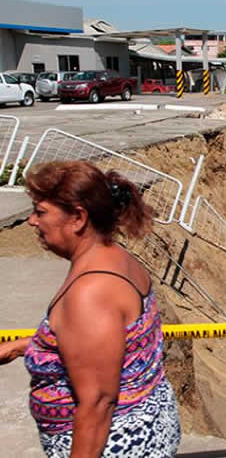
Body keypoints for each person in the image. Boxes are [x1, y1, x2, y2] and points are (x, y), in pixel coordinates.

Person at [0, 160, 181, 457]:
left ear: (78, 218)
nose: (32, 221)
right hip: (148, 423)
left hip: (118, 443)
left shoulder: (90, 293)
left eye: (41, 212)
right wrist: (26, 346)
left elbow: (98, 402)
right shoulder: (115, 257)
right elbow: (108, 347)